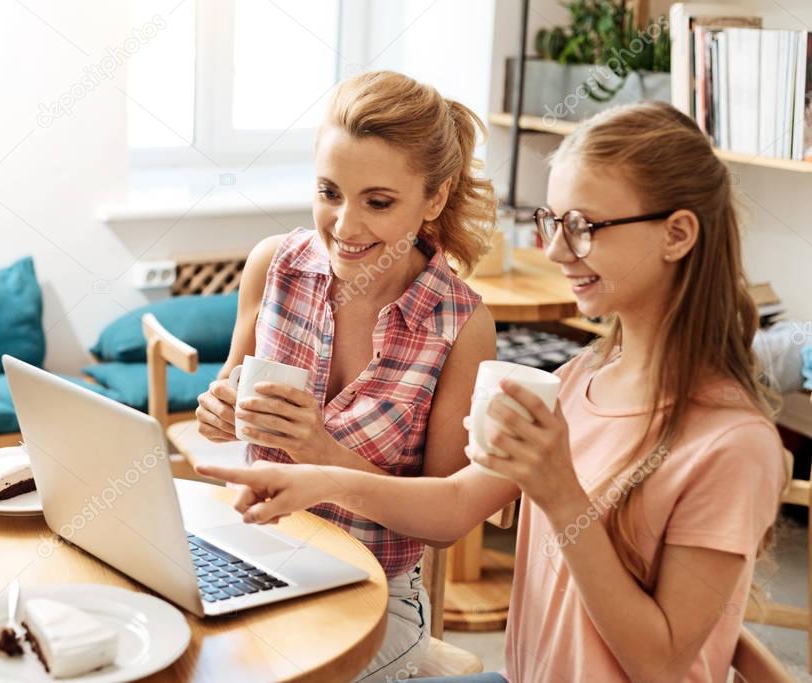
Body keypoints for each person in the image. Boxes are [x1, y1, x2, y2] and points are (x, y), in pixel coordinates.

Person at [199, 101, 790, 682]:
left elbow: (661, 663)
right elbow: (456, 503)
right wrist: (314, 478)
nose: (556, 251)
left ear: (677, 234)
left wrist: (560, 494)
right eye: (552, 222)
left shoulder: (733, 445)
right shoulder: (576, 380)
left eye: (583, 227)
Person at [194, 70, 497, 682]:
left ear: (433, 199)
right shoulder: (272, 265)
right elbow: (225, 399)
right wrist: (218, 411)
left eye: (378, 202)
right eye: (329, 191)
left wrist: (321, 453)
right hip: (256, 558)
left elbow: (442, 519)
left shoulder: (460, 325)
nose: (344, 225)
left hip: (375, 594)